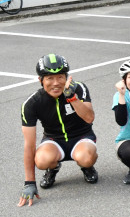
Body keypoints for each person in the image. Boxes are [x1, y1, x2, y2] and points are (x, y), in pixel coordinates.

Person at [19, 55, 98, 207]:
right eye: (49, 78)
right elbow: (29, 145)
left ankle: (87, 167)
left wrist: (72, 97)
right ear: (40, 80)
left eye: (60, 77)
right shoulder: (32, 103)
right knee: (41, 161)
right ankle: (52, 168)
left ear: (67, 78)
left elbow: (89, 118)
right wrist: (29, 182)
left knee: (86, 157)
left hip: (82, 137)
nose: (56, 83)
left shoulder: (79, 88)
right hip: (54, 140)